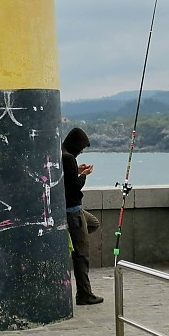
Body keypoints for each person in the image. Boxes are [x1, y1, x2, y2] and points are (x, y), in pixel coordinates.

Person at [62, 127, 103, 305]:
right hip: (73, 211)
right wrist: (84, 175)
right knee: (82, 255)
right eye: (82, 147)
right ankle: (84, 294)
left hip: (71, 210)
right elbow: (74, 186)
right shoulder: (68, 158)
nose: (82, 151)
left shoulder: (62, 155)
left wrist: (77, 171)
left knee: (93, 223)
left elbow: (66, 180)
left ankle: (75, 240)